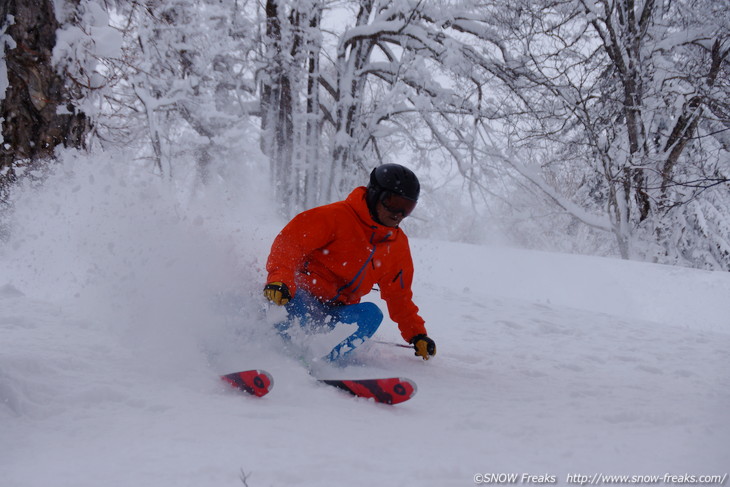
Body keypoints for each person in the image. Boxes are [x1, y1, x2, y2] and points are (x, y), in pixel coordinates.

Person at [263, 163, 436, 363]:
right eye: (392, 202)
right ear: (374, 195)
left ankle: (325, 363)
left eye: (407, 208)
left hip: (337, 311)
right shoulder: (336, 216)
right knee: (301, 306)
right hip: (301, 295)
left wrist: (417, 334)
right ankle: (283, 357)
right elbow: (290, 245)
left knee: (371, 314)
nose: (398, 213)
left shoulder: (396, 245)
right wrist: (280, 280)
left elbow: (399, 296)